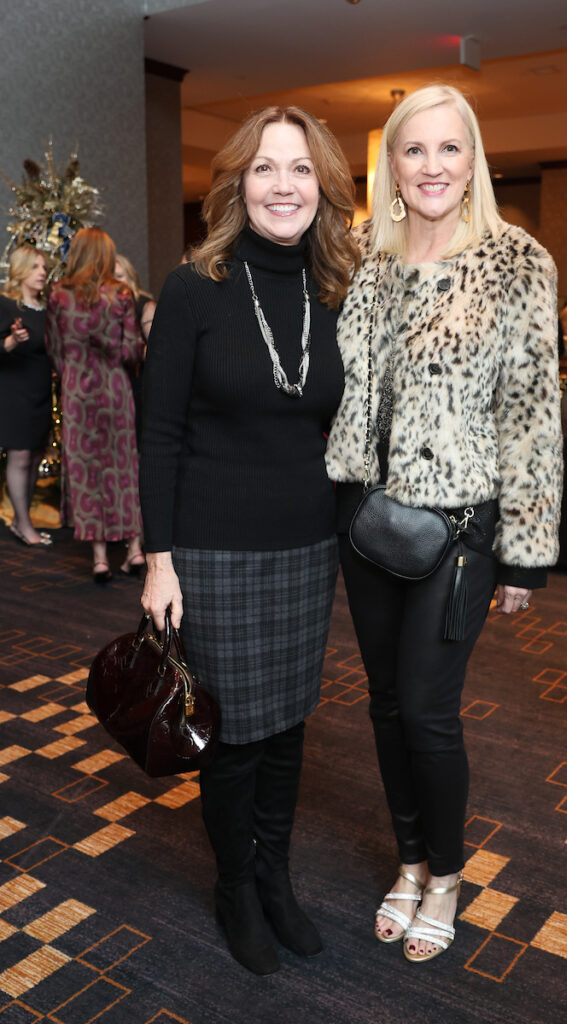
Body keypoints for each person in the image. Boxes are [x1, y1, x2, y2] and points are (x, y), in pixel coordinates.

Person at [325, 84, 563, 964]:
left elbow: (531, 413)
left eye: (448, 148)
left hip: (461, 527)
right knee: (385, 705)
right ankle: (409, 861)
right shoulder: (361, 256)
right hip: (365, 517)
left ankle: (448, 877)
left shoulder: (516, 259)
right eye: (413, 149)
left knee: (427, 711)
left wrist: (525, 551)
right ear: (391, 164)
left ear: (473, 162)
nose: (431, 166)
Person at [138, 106, 359, 976]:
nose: (283, 185)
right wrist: (158, 562)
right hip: (212, 549)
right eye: (265, 168)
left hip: (306, 545)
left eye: (300, 169)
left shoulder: (336, 291)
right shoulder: (194, 287)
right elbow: (158, 434)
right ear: (237, 184)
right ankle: (236, 886)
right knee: (232, 734)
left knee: (289, 724)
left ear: (323, 188)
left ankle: (275, 877)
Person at [45, 228, 145, 581]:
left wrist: (74, 370)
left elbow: (54, 349)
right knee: (124, 467)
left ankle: (100, 559)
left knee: (86, 471)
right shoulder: (120, 294)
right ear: (106, 255)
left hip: (77, 392)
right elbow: (132, 350)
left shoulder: (58, 295)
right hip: (114, 390)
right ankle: (134, 551)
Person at [0, 245, 53, 546]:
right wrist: (11, 341)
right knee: (20, 455)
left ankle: (21, 522)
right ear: (20, 271)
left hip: (41, 393)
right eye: (34, 267)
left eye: (43, 267)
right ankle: (24, 524)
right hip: (14, 393)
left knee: (34, 456)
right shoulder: (6, 305)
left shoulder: (46, 309)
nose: (42, 273)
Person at [114, 254, 156, 448]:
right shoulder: (105, 309)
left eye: (120, 276)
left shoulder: (145, 305)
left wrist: (134, 350)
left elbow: (158, 349)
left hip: (139, 382)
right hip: (115, 382)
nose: (116, 283)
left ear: (130, 277)